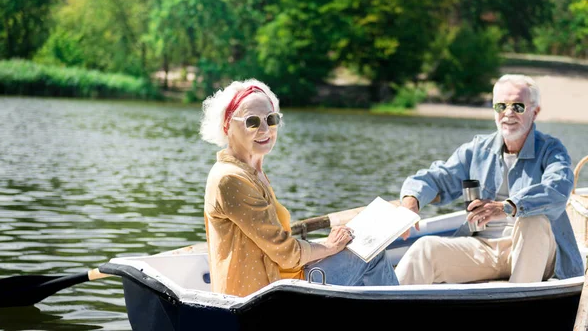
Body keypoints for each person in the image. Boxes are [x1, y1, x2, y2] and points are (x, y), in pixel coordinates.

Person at [199, 78, 399, 297]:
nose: (265, 129)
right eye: (252, 122)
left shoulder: (251, 171)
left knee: (364, 253)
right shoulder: (231, 178)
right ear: (227, 127)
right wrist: (330, 246)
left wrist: (328, 245)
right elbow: (286, 253)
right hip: (267, 296)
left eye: (271, 119)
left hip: (284, 278)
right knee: (373, 256)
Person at [395, 74, 584, 285]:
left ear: (535, 112)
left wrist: (507, 207)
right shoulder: (477, 149)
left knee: (533, 220)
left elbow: (557, 189)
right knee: (425, 249)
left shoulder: (551, 150)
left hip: (539, 254)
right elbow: (437, 178)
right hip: (485, 247)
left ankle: (518, 303)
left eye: (518, 107)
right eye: (501, 106)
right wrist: (411, 200)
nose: (508, 113)